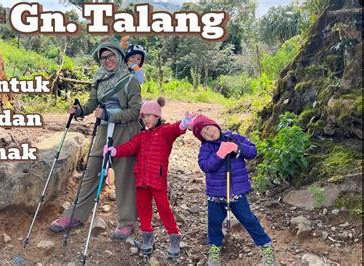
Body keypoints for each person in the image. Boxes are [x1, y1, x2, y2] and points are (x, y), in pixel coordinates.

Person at [49, 36, 142, 240]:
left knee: (125, 177)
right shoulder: (99, 79)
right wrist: (80, 110)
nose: (107, 60)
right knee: (90, 173)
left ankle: (126, 222)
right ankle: (75, 216)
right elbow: (93, 103)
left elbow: (135, 111)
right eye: (103, 58)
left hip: (126, 132)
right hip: (102, 132)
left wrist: (111, 115)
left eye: (110, 56)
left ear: (118, 55)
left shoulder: (130, 81)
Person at [104, 97, 194, 258]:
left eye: (149, 116)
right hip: (141, 179)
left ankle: (174, 236)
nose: (146, 119)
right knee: (143, 208)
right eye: (144, 116)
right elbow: (130, 147)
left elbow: (176, 129)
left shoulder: (164, 131)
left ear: (157, 116)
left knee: (163, 208)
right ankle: (147, 237)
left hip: (157, 180)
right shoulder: (141, 136)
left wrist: (184, 123)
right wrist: (114, 150)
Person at [191, 115, 276, 266]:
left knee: (248, 219)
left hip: (236, 191)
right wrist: (219, 154)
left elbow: (252, 152)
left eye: (208, 128)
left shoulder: (234, 137)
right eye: (204, 133)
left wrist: (237, 148)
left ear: (214, 124)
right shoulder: (206, 148)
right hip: (215, 194)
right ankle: (215, 247)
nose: (209, 133)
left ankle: (266, 246)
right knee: (214, 222)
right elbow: (205, 166)